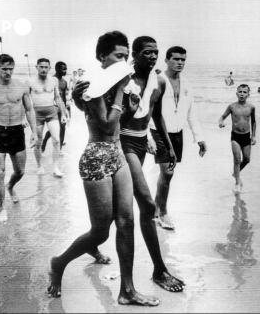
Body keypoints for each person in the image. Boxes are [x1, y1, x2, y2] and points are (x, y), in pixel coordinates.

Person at [48, 31, 159, 306]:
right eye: (119, 56)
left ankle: (127, 290)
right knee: (100, 231)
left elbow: (124, 120)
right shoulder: (92, 85)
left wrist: (131, 102)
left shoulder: (119, 82)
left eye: (125, 56)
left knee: (127, 220)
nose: (125, 62)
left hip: (117, 153)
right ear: (102, 57)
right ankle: (58, 263)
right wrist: (122, 89)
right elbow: (108, 126)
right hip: (96, 156)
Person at [73, 36, 185, 293]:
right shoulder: (122, 78)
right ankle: (159, 270)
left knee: (116, 215)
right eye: (147, 52)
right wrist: (77, 98)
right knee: (146, 204)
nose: (153, 56)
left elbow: (155, 115)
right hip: (122, 145)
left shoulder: (158, 81)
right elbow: (94, 110)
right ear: (135, 55)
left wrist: (166, 144)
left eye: (156, 52)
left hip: (141, 142)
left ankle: (94, 243)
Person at [148, 46, 207, 230]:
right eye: (176, 59)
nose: (180, 62)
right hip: (157, 131)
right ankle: (163, 213)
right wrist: (147, 136)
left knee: (167, 174)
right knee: (168, 172)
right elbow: (147, 110)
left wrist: (200, 138)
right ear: (166, 60)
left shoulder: (187, 84)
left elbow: (192, 114)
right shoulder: (157, 81)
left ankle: (156, 209)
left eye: (183, 59)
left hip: (177, 133)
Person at [0, 54, 37, 222]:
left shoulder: (21, 87)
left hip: (17, 132)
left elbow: (30, 110)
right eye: (4, 69)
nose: (8, 72)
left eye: (11, 69)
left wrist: (34, 132)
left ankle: (10, 187)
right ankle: (2, 208)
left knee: (20, 171)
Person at [26, 58, 69, 177]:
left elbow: (57, 98)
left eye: (46, 67)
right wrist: (24, 117)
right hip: (36, 113)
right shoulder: (30, 81)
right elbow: (26, 101)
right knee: (38, 142)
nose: (44, 69)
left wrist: (63, 114)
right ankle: (39, 166)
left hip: (51, 112)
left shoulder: (54, 80)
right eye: (41, 67)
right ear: (37, 67)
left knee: (56, 140)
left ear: (49, 68)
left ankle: (55, 167)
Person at [218, 84, 256, 193]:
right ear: (236, 93)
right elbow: (222, 117)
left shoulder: (251, 107)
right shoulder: (232, 106)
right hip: (235, 136)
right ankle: (237, 183)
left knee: (247, 159)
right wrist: (221, 123)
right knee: (237, 159)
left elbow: (253, 122)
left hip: (246, 136)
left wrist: (253, 136)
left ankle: (236, 173)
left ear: (248, 94)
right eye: (240, 92)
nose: (242, 94)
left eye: (244, 92)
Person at [41, 62, 69, 155]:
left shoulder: (64, 82)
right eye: (63, 69)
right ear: (57, 69)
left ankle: (60, 149)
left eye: (66, 69)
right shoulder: (50, 80)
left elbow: (64, 97)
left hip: (61, 108)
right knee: (54, 129)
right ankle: (44, 142)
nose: (65, 71)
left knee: (63, 128)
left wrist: (64, 111)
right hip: (52, 108)